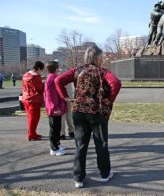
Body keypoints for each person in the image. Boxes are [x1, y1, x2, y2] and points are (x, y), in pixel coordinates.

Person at [55, 45, 121, 188]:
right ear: (97, 58)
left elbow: (58, 80)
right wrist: (109, 100)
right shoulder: (103, 72)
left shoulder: (77, 71)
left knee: (80, 145)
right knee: (101, 144)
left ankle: (78, 178)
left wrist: (65, 97)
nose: (102, 60)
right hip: (97, 112)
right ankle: (104, 174)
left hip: (79, 112)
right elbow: (116, 83)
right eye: (101, 57)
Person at [44, 61, 67, 156]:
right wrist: (55, 107)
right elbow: (51, 95)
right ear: (56, 68)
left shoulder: (51, 77)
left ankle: (57, 144)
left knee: (57, 127)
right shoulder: (52, 78)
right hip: (54, 108)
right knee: (54, 128)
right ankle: (54, 148)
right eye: (58, 67)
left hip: (54, 107)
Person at [22, 61, 45, 141]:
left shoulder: (25, 75)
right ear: (38, 68)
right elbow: (40, 89)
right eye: (41, 70)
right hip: (34, 100)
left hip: (26, 98)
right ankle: (31, 134)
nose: (41, 72)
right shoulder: (35, 77)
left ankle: (32, 132)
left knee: (30, 117)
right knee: (35, 118)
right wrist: (44, 83)